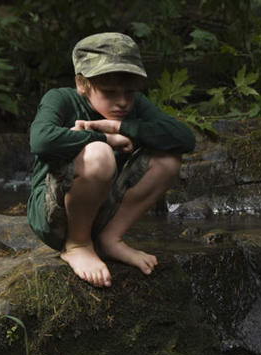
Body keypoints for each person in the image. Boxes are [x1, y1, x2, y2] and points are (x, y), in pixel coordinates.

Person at [27, 32, 195, 288]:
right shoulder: (60, 99)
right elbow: (41, 141)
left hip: (103, 210)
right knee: (98, 154)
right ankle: (78, 245)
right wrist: (106, 139)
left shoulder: (134, 106)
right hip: (54, 216)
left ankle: (109, 239)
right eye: (109, 92)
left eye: (130, 92)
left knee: (168, 159)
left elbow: (184, 138)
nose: (122, 101)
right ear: (82, 84)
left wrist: (119, 126)